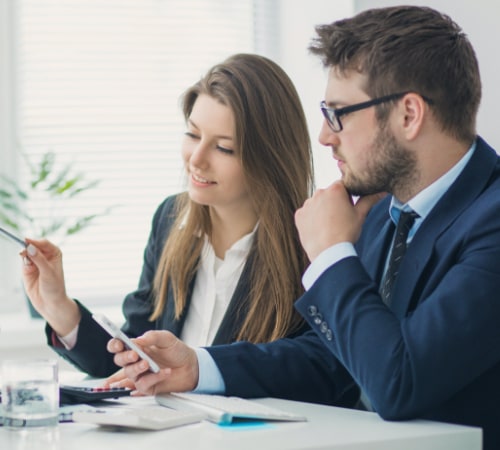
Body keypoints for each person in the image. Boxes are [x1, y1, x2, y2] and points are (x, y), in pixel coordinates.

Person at [105, 6, 500, 450]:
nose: (324, 137)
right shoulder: (384, 210)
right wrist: (197, 366)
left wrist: (332, 254)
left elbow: (399, 383)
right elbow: (330, 360)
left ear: (409, 115)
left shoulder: (490, 221)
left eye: (339, 114)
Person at [21, 54, 356, 403]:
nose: (196, 159)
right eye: (193, 134)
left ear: (269, 157)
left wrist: (201, 368)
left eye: (223, 147)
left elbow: (324, 369)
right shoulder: (170, 220)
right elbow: (130, 357)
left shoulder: (312, 239)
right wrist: (59, 307)